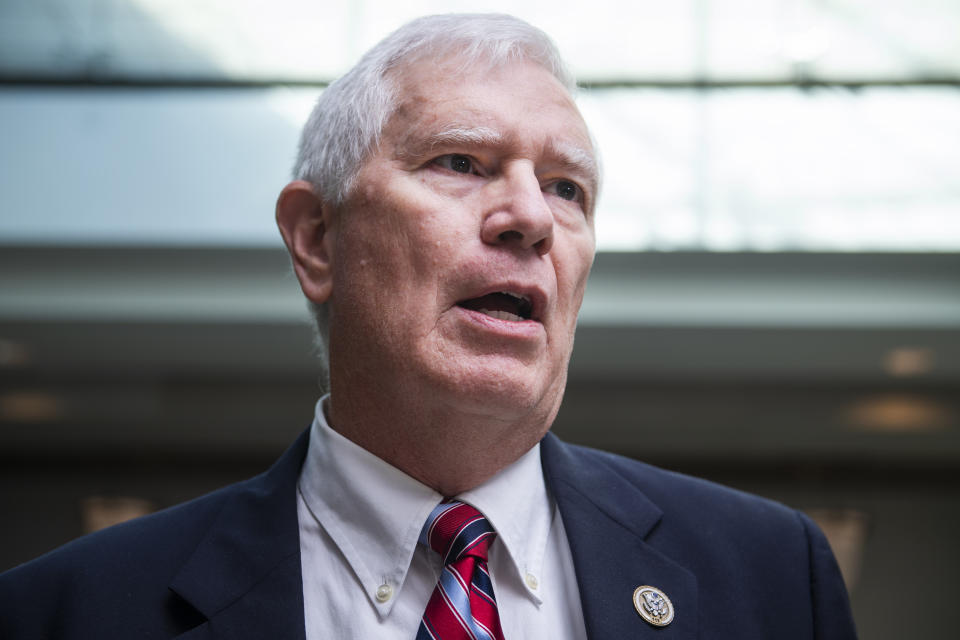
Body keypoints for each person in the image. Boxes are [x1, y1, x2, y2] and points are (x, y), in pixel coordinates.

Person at [0, 13, 857, 639]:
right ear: (316, 238)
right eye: (461, 162)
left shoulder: (772, 577)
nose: (530, 218)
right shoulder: (65, 614)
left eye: (567, 187)